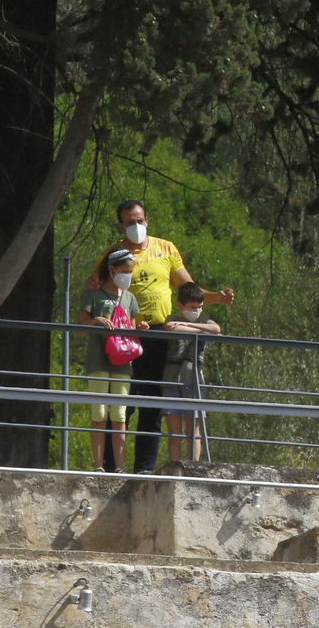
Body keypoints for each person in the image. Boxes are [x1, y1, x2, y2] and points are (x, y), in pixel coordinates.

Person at [85, 200, 235, 473]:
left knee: (152, 404)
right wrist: (90, 283)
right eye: (130, 222)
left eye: (140, 220)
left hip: (158, 334)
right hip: (123, 335)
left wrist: (217, 299)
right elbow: (96, 289)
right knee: (121, 404)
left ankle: (145, 467)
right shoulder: (112, 254)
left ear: (148, 220)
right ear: (121, 225)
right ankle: (108, 467)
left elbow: (189, 290)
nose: (136, 226)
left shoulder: (166, 248)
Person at [76, 248, 148, 472]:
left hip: (123, 362)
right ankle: (99, 466)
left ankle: (119, 467)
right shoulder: (92, 295)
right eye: (125, 271)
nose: (128, 275)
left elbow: (133, 327)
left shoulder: (130, 298)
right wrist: (96, 320)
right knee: (98, 412)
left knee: (119, 413)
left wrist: (142, 328)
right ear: (112, 269)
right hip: (98, 359)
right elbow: (78, 328)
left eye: (131, 271)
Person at [161, 282, 221, 463]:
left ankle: (194, 466)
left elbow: (216, 329)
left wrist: (195, 328)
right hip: (172, 377)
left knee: (193, 429)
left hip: (194, 377)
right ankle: (175, 468)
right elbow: (172, 327)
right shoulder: (172, 318)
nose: (197, 311)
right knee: (175, 431)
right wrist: (197, 330)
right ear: (181, 306)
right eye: (193, 307)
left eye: (200, 307)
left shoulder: (205, 320)